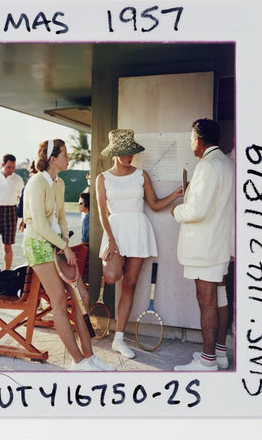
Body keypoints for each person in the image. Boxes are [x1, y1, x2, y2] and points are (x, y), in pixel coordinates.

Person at [95, 128, 181, 360]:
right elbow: (102, 214)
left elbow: (153, 204)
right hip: (114, 231)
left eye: (131, 152)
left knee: (130, 285)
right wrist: (112, 242)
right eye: (124, 152)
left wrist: (176, 194)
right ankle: (116, 332)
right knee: (112, 276)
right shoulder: (102, 178)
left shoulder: (141, 175)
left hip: (138, 230)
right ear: (114, 153)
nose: (129, 156)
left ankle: (119, 339)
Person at [23, 137, 107, 371]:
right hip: (38, 246)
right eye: (65, 155)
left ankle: (89, 356)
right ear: (53, 158)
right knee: (59, 301)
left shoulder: (58, 183)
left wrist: (64, 240)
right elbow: (39, 224)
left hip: (58, 245)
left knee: (82, 295)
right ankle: (78, 362)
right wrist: (64, 246)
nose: (68, 158)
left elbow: (60, 216)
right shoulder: (35, 183)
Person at [165, 118, 234, 371]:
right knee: (220, 297)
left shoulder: (208, 166)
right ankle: (218, 354)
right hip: (219, 245)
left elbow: (197, 210)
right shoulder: (226, 163)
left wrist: (176, 211)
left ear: (199, 139)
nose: (191, 143)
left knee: (207, 301)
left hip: (205, 247)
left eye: (191, 138)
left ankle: (207, 362)